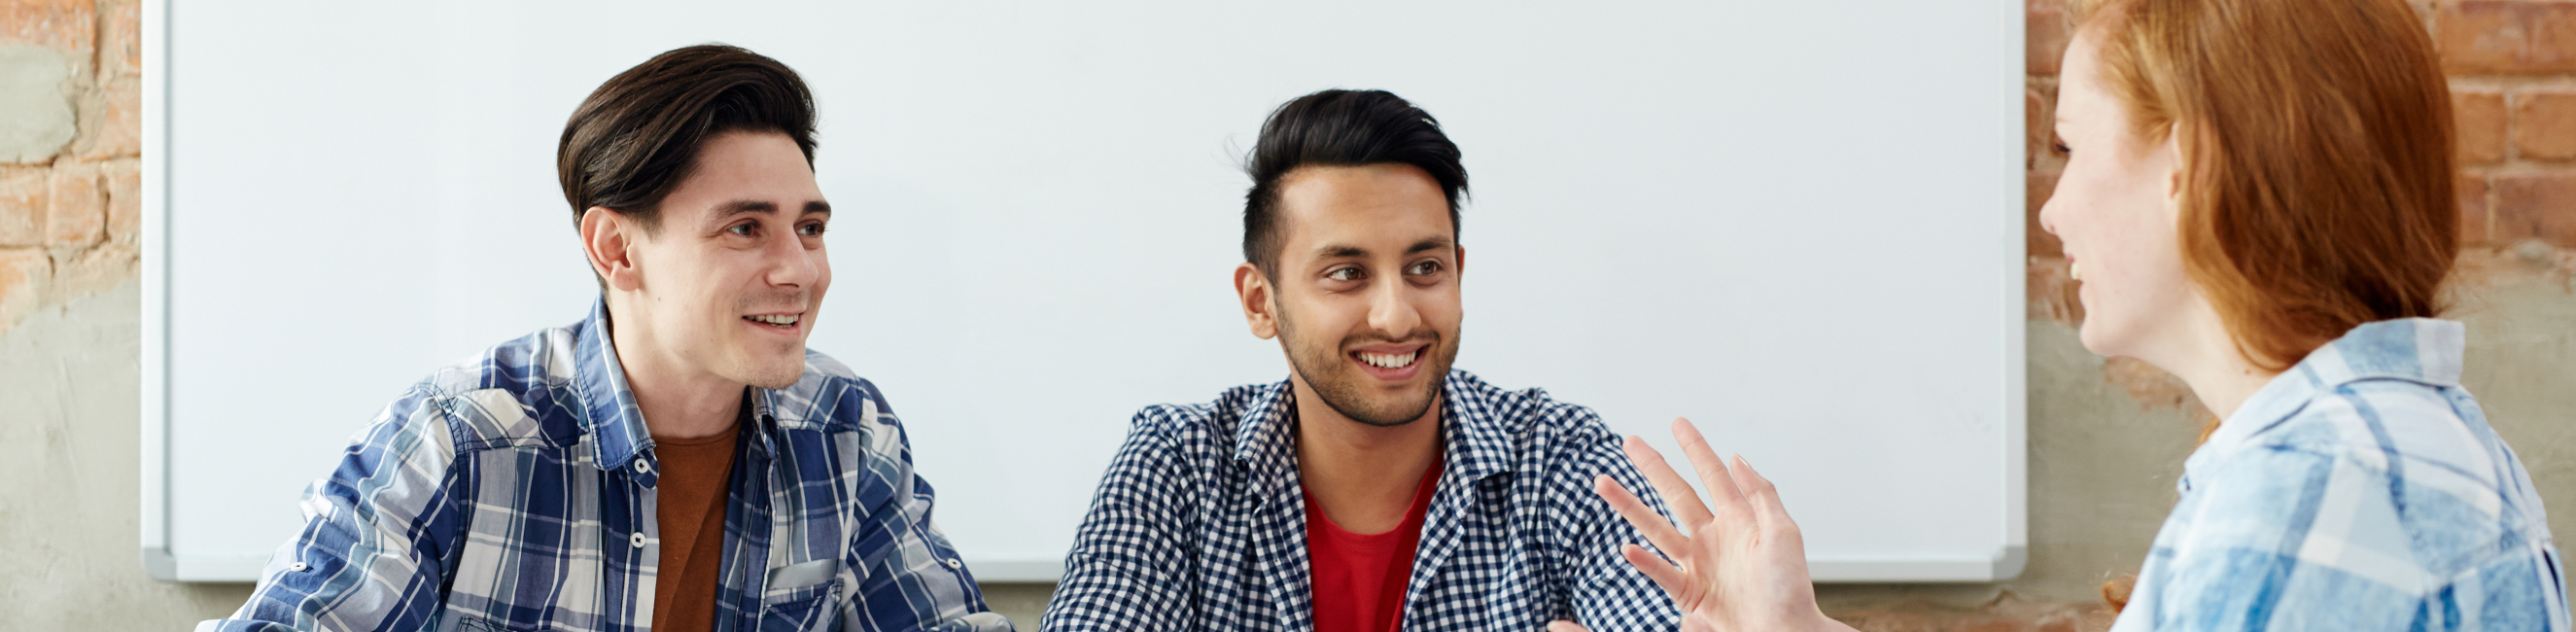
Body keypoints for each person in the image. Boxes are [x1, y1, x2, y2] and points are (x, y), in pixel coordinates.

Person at [1553, 0, 2571, 630]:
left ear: (2188, 163)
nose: (2052, 207)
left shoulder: (2302, 508)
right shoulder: (2387, 452)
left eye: (2075, 146)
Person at [198, 45, 1010, 632]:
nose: (798, 269)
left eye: (809, 227)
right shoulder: (460, 439)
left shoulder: (842, 430)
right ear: (617, 250)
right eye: (744, 230)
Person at [1038, 89, 1681, 632]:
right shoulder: (1177, 467)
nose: (1398, 316)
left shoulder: (1561, 459)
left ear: (1458, 273)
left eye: (1425, 268)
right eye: (1347, 273)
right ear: (1260, 302)